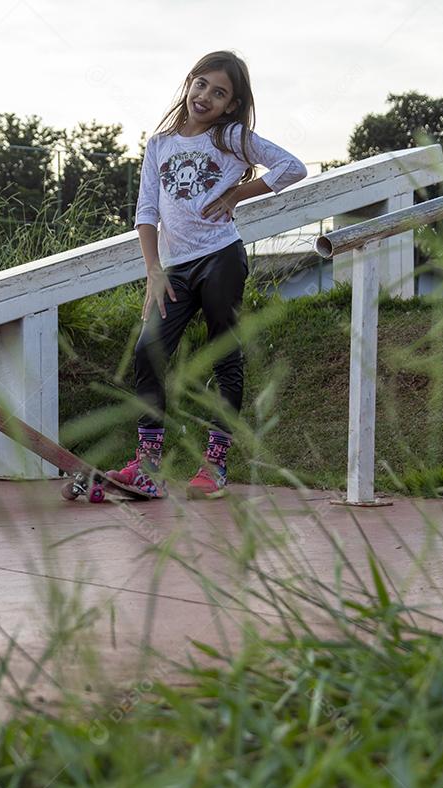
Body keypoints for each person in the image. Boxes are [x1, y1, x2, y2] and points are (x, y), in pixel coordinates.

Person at [108, 51, 307, 499]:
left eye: (220, 93)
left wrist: (239, 191)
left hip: (221, 258)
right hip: (174, 268)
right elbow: (146, 211)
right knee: (148, 352)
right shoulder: (159, 144)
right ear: (190, 83)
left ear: (231, 105)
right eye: (202, 85)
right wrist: (152, 270)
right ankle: (147, 465)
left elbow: (293, 167)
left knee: (224, 355)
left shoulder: (232, 137)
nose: (206, 97)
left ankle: (214, 466)